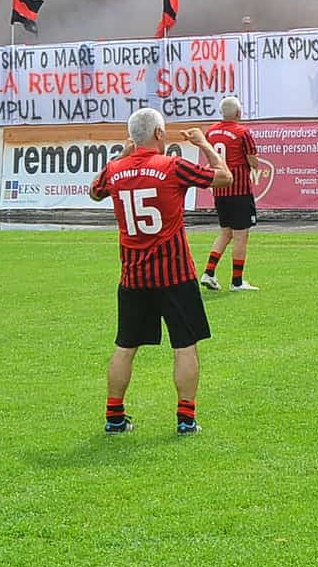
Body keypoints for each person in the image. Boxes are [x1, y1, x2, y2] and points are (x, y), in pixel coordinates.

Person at [89, 109, 230, 435]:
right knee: (185, 344)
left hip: (133, 276)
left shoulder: (115, 170)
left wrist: (123, 154)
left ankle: (114, 417)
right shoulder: (171, 166)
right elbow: (224, 177)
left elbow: (94, 191)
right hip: (175, 275)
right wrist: (205, 144)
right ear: (157, 134)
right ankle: (185, 419)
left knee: (126, 346)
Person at [200, 95, 259, 291]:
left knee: (226, 232)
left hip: (219, 190)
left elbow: (210, 157)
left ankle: (209, 272)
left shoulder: (211, 132)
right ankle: (237, 281)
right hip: (239, 190)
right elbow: (252, 161)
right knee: (241, 236)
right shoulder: (243, 132)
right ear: (239, 113)